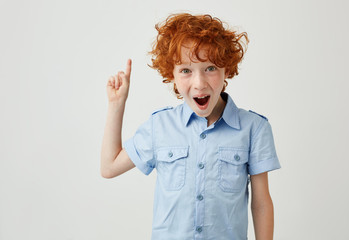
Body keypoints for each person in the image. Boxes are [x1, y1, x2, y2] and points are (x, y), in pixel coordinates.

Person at [100, 13, 281, 240]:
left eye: (210, 68)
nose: (199, 83)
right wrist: (117, 105)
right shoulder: (160, 126)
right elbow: (109, 167)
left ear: (227, 68)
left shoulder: (254, 128)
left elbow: (261, 203)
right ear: (172, 75)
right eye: (186, 70)